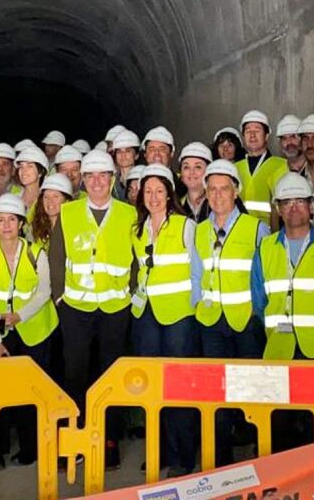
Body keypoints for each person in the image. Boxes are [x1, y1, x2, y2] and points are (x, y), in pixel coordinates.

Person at [49, 151, 133, 468]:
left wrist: (128, 293)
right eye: (90, 176)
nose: (97, 182)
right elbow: (56, 257)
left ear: (112, 179)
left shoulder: (128, 214)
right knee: (75, 373)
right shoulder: (68, 212)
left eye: (103, 176)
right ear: (82, 181)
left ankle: (109, 439)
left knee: (110, 375)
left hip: (115, 307)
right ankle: (74, 439)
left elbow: (137, 259)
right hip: (76, 307)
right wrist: (60, 298)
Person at [262, 173, 314, 451]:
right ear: (278, 209)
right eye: (286, 202)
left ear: (312, 206)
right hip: (280, 348)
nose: (294, 207)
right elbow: (258, 299)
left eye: (300, 201)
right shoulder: (265, 247)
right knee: (281, 424)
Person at [194, 160, 268, 467]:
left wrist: (258, 314)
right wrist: (198, 306)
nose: (217, 195)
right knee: (216, 390)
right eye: (212, 189)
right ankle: (220, 460)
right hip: (211, 322)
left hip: (246, 320)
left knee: (251, 387)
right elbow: (196, 275)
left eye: (224, 189)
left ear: (236, 192)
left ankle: (259, 454)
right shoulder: (199, 230)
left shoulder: (256, 228)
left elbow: (265, 276)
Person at [0, 194, 58, 467]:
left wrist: (20, 315)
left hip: (36, 329)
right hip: (1, 329)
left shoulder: (36, 252)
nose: (6, 225)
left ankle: (30, 448)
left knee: (32, 391)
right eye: (0, 220)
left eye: (12, 220)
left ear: (21, 223)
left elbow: (44, 291)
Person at [130, 164, 200, 477]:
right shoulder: (137, 230)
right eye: (148, 191)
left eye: (159, 191)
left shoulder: (186, 226)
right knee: (152, 385)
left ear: (170, 194)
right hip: (146, 315)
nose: (154, 197)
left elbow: (196, 270)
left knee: (178, 384)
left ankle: (183, 456)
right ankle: (157, 450)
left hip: (178, 316)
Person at [236, 110, 287, 223]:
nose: (252, 135)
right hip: (239, 229)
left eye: (257, 130)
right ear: (243, 136)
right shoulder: (234, 168)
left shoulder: (281, 166)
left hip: (268, 230)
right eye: (248, 131)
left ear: (266, 135)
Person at [29, 172, 73, 260]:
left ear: (66, 200)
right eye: (46, 197)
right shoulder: (35, 228)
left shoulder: (73, 228)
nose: (50, 201)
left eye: (56, 196)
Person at [177, 142, 212, 222]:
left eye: (198, 167)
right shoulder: (175, 206)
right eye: (186, 167)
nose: (191, 172)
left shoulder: (219, 202)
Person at [14, 147, 49, 213]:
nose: (24, 171)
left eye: (30, 166)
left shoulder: (48, 202)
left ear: (41, 172)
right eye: (21, 166)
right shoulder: (12, 200)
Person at [110, 130, 140, 201]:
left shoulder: (144, 179)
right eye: (119, 151)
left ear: (136, 155)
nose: (123, 155)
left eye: (128, 151)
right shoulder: (111, 181)